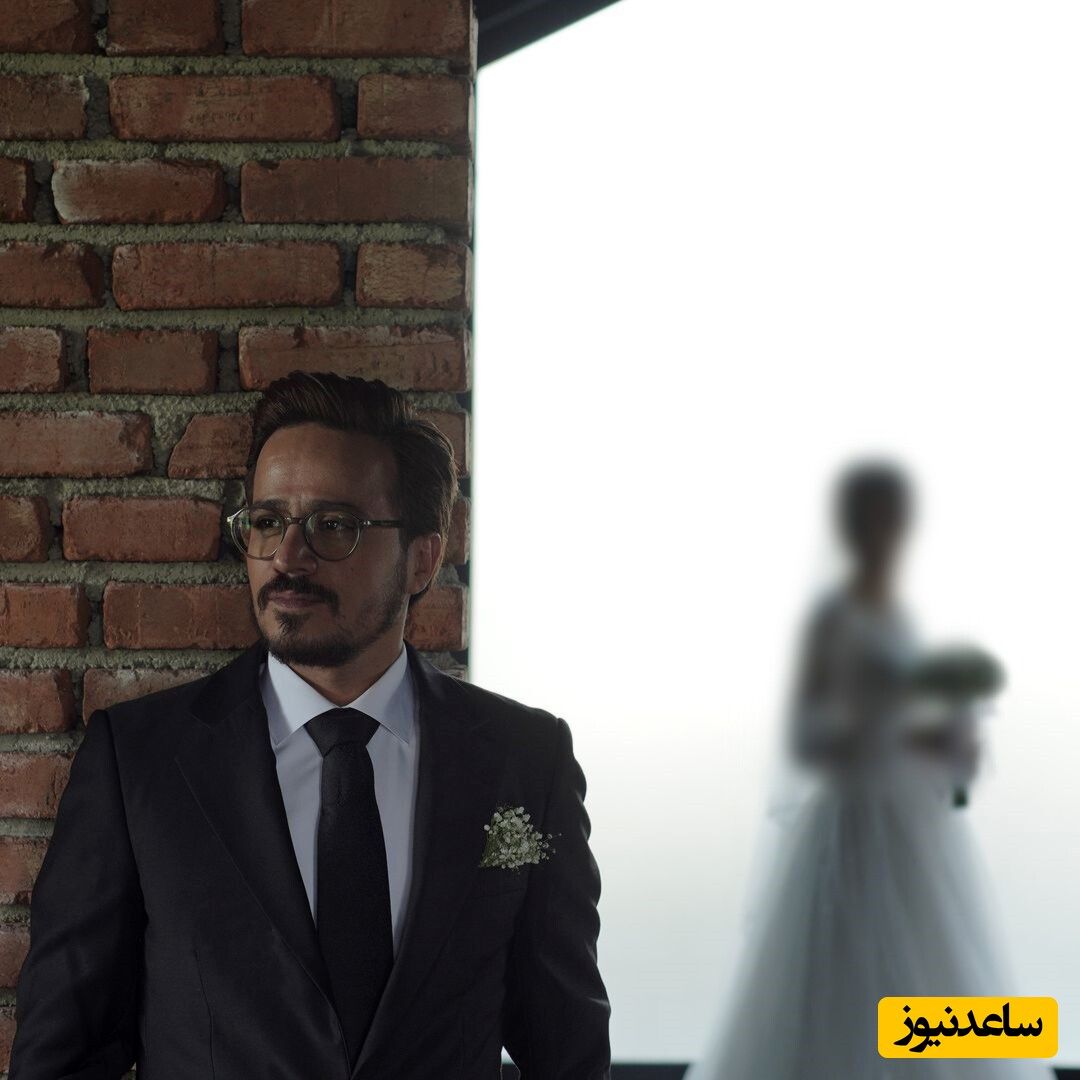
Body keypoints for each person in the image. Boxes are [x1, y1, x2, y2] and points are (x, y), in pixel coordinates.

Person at [10, 372, 611, 1079]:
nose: (288, 558)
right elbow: (62, 1057)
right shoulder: (140, 763)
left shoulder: (524, 761)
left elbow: (568, 1053)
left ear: (422, 558)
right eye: (268, 522)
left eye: (334, 526)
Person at [685, 460, 1053, 1080]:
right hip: (854, 822)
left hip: (916, 825)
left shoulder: (901, 617)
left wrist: (947, 735)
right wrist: (897, 733)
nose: (887, 533)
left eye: (895, 520)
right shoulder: (833, 619)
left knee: (937, 972)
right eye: (876, 519)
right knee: (844, 988)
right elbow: (808, 739)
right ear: (854, 527)